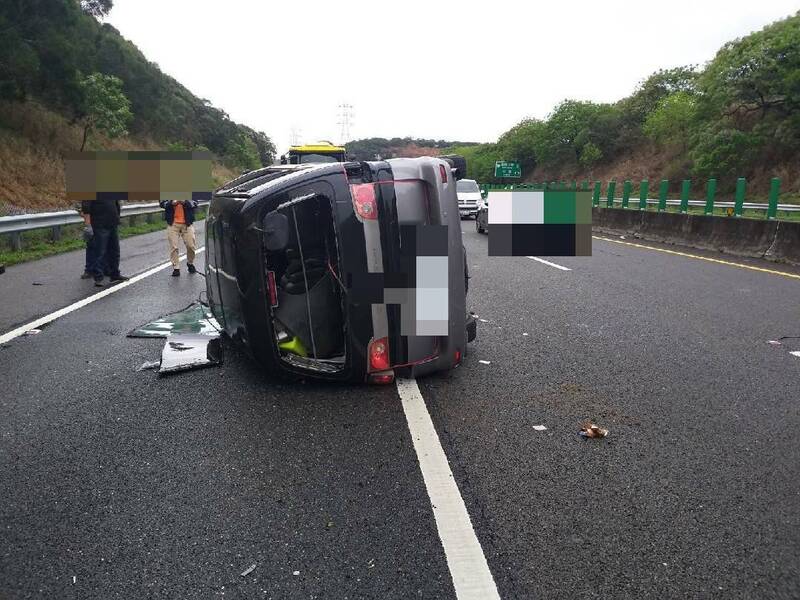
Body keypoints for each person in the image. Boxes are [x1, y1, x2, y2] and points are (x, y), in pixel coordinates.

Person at [81, 197, 129, 287]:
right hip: (99, 224)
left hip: (112, 223)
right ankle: (98, 277)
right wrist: (88, 225)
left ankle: (114, 274)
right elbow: (86, 208)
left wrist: (117, 218)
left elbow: (116, 204)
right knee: (99, 251)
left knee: (114, 250)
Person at [159, 198, 198, 276]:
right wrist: (172, 202)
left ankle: (190, 263)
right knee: (174, 246)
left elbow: (195, 203)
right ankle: (176, 268)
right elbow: (162, 203)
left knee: (191, 245)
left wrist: (185, 202)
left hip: (187, 224)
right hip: (173, 224)